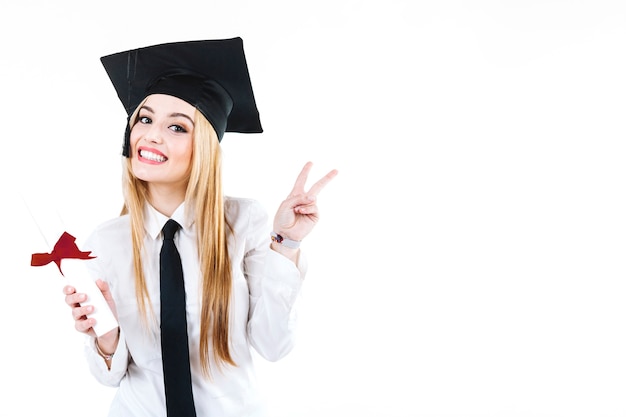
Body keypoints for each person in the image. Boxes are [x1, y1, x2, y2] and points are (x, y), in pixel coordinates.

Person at [62, 37, 337, 417]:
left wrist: (286, 242)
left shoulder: (244, 223)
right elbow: (110, 378)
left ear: (204, 147)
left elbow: (274, 345)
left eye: (177, 127)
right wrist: (106, 337)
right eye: (145, 118)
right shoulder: (104, 243)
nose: (152, 134)